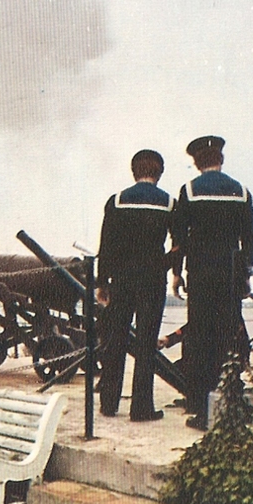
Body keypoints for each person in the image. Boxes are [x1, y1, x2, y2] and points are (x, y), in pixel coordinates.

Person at [171, 135, 253, 430]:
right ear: (221, 160)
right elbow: (250, 237)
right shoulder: (242, 192)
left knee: (198, 337)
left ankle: (199, 405)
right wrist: (245, 273)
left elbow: (179, 238)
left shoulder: (190, 191)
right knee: (226, 337)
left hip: (200, 273)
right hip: (231, 273)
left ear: (196, 162)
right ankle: (226, 400)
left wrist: (177, 272)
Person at [95, 149, 175, 422]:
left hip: (121, 280)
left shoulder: (116, 201)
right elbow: (178, 246)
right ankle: (141, 408)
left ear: (134, 171)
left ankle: (108, 403)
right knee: (145, 344)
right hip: (152, 280)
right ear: (159, 172)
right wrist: (165, 266)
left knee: (115, 340)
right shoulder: (169, 203)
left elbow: (105, 245)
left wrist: (102, 281)